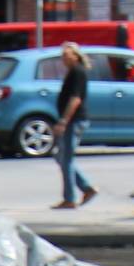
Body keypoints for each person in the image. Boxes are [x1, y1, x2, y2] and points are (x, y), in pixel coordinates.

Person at [50, 42, 97, 210]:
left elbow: (75, 99)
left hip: (74, 120)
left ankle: (69, 199)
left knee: (66, 159)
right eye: (62, 56)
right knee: (61, 157)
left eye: (67, 56)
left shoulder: (77, 72)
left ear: (75, 56)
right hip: (71, 120)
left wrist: (63, 121)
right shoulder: (72, 72)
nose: (64, 59)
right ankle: (86, 188)